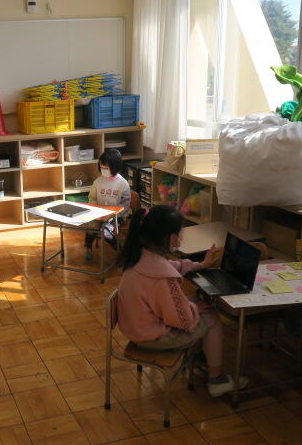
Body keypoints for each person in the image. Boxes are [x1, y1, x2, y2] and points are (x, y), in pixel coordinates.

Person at [117, 205, 248, 397]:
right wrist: (194, 308)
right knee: (211, 317)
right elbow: (183, 320)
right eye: (180, 233)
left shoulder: (140, 256)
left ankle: (204, 357)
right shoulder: (163, 278)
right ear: (171, 238)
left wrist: (200, 265)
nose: (182, 238)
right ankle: (216, 380)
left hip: (137, 328)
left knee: (197, 304)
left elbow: (170, 266)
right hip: (152, 338)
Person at [84, 148, 136, 261]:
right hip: (100, 215)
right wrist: (96, 211)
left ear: (115, 167)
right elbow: (92, 198)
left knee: (105, 230)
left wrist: (114, 215)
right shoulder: (98, 182)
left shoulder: (123, 184)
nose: (103, 170)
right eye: (101, 167)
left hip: (118, 216)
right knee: (91, 226)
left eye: (106, 168)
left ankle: (119, 249)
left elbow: (125, 205)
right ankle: (88, 248)